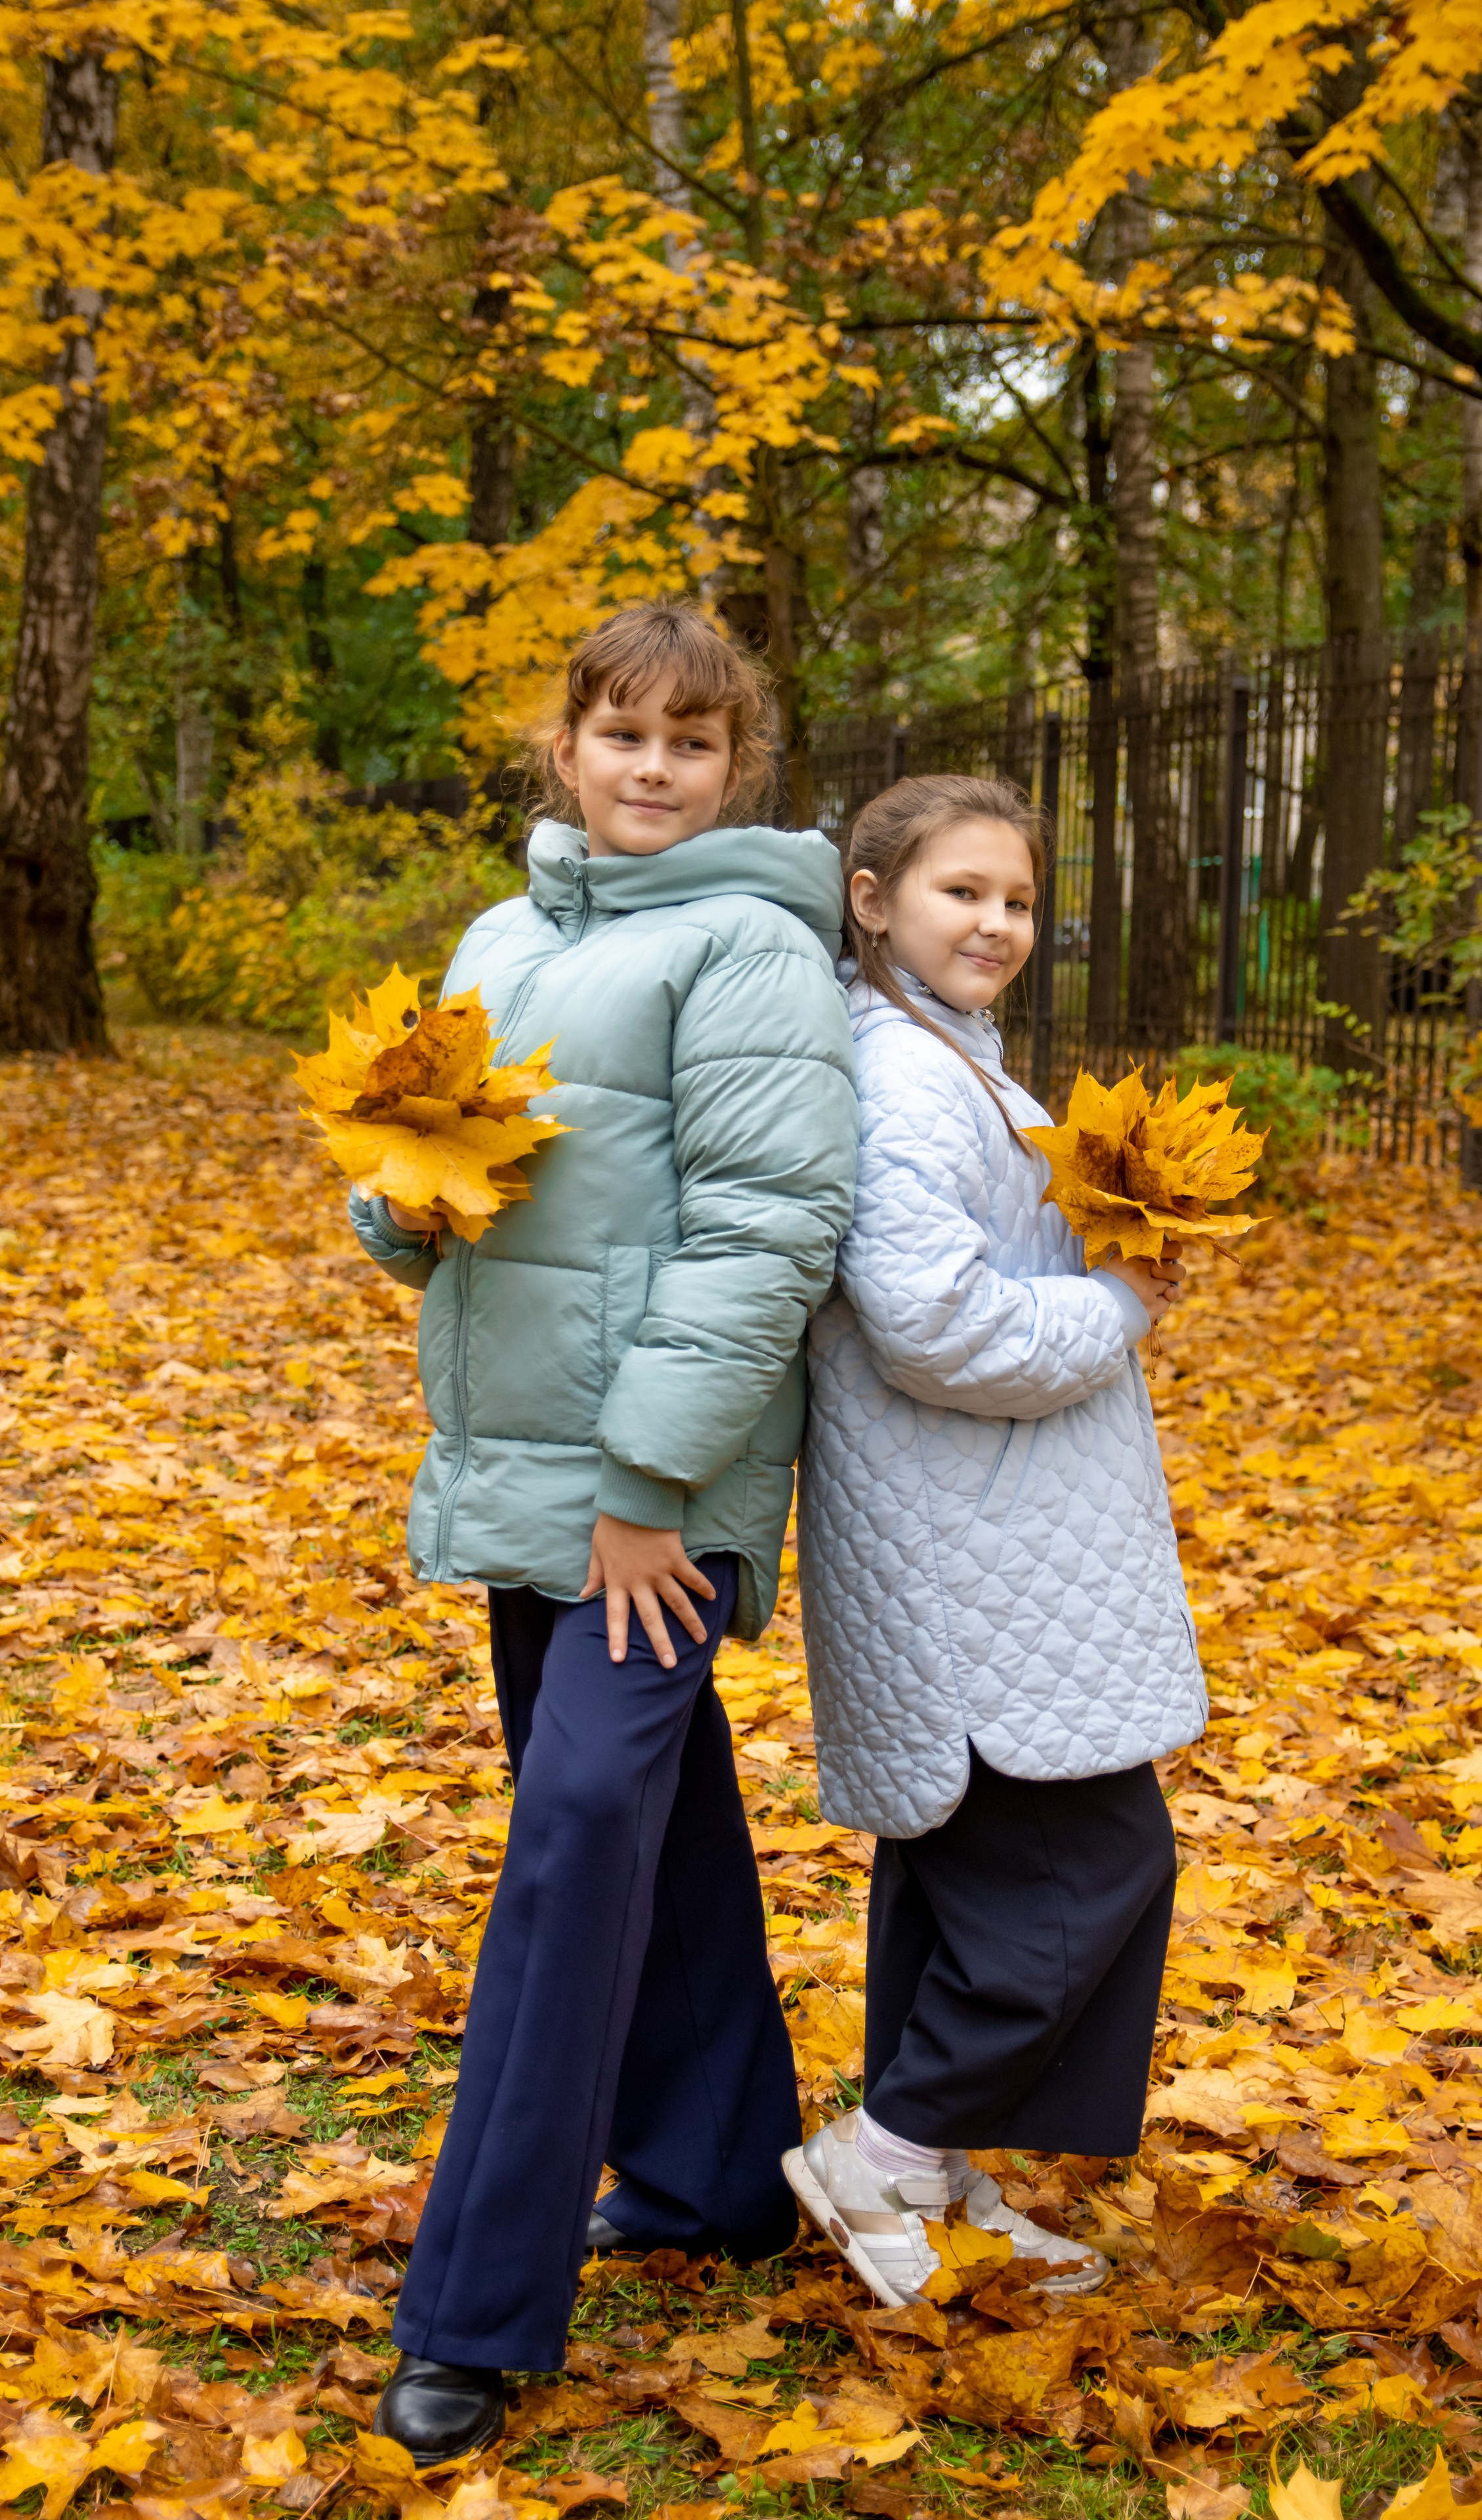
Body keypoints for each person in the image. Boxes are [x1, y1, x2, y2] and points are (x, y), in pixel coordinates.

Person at [350, 602, 858, 2458]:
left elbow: (763, 1238)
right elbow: (468, 1170)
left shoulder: (746, 948)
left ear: (741, 769)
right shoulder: (509, 932)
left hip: (653, 1499)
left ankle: (472, 2316)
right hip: (526, 1482)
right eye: (622, 733)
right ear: (562, 747)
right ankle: (721, 2176)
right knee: (650, 1831)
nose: (653, 767)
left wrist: (653, 1495)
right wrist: (403, 1198)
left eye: (693, 742)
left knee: (570, 1854)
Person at [788, 772, 1206, 2307]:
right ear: (871, 897)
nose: (996, 923)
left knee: (970, 1878)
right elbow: (927, 1323)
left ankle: (941, 2174)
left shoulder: (953, 1063)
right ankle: (883, 2156)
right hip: (967, 1556)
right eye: (960, 891)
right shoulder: (901, 1075)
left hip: (994, 1546)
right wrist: (1116, 1306)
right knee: (1083, 1874)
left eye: (1017, 899)